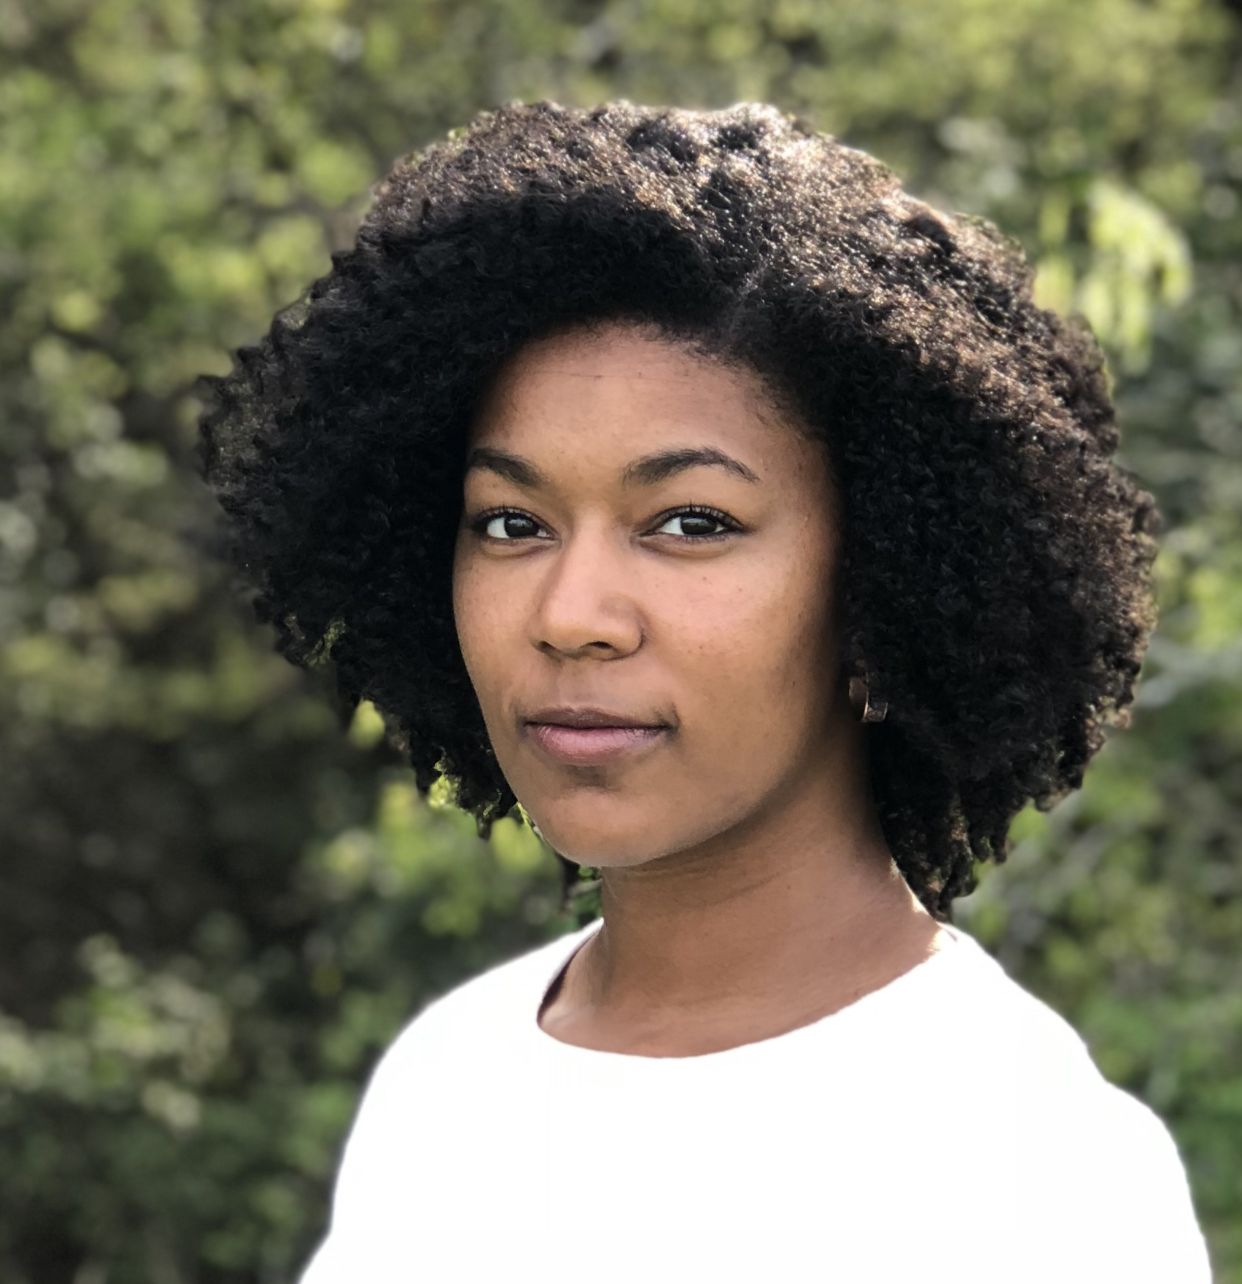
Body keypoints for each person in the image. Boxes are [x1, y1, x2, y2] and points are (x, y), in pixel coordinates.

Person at [196, 101, 1212, 1282]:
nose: (570, 614)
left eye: (691, 522)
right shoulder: (451, 1071)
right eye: (511, 523)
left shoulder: (1037, 1181)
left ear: (884, 587)